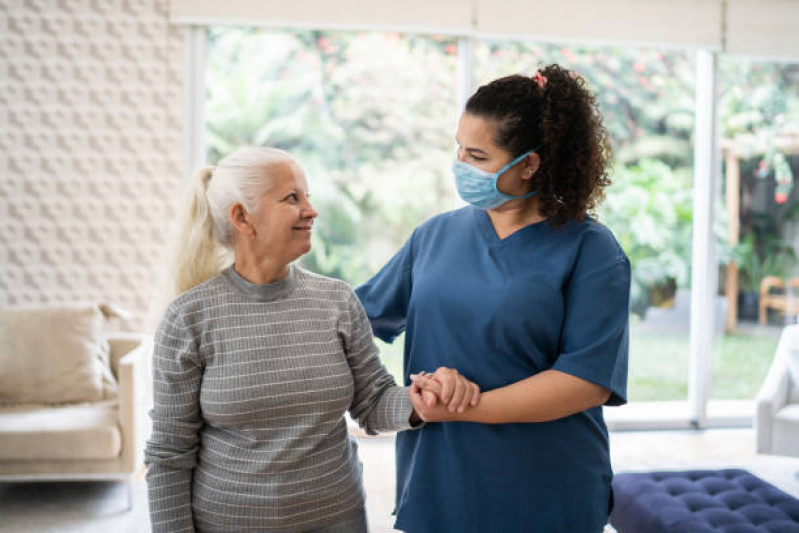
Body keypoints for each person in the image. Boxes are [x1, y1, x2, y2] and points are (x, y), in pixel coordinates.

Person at [144, 146, 480, 533]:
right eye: (292, 198)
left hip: (338, 518)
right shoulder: (188, 318)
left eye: (307, 196)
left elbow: (371, 401)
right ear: (242, 217)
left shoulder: (336, 299)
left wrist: (420, 398)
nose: (311, 210)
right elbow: (169, 452)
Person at [355, 64, 631, 533]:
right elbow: (354, 319)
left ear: (529, 163)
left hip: (544, 485)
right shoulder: (434, 235)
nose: (461, 164)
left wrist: (463, 406)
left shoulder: (592, 251)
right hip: (439, 477)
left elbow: (585, 381)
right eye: (458, 148)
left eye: (477, 156)